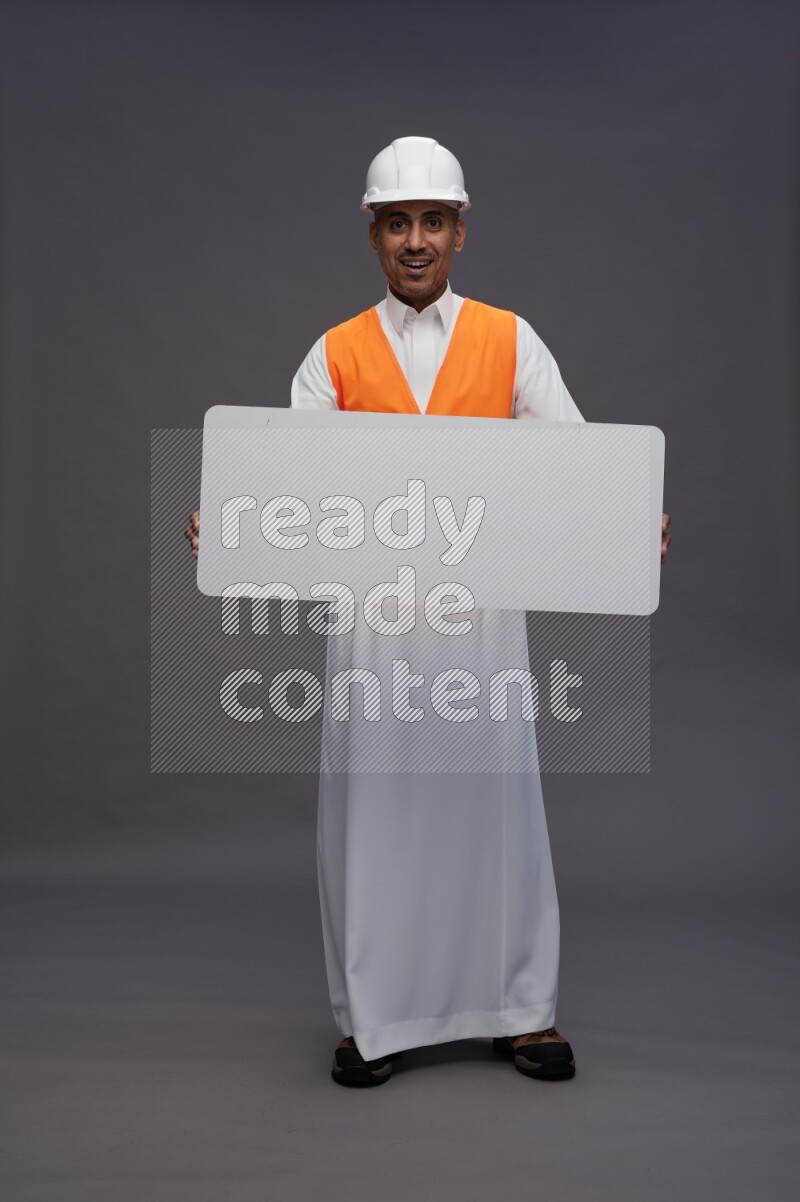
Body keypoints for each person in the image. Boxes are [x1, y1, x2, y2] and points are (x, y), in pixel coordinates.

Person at [186, 136, 672, 1088]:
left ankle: (520, 1012)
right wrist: (234, 528)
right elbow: (292, 494)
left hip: (481, 630)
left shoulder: (509, 339)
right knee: (374, 815)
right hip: (372, 638)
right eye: (398, 223)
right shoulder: (331, 356)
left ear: (460, 232)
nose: (416, 240)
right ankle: (374, 1020)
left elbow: (575, 465)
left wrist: (626, 526)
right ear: (374, 236)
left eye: (433, 222)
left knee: (495, 809)